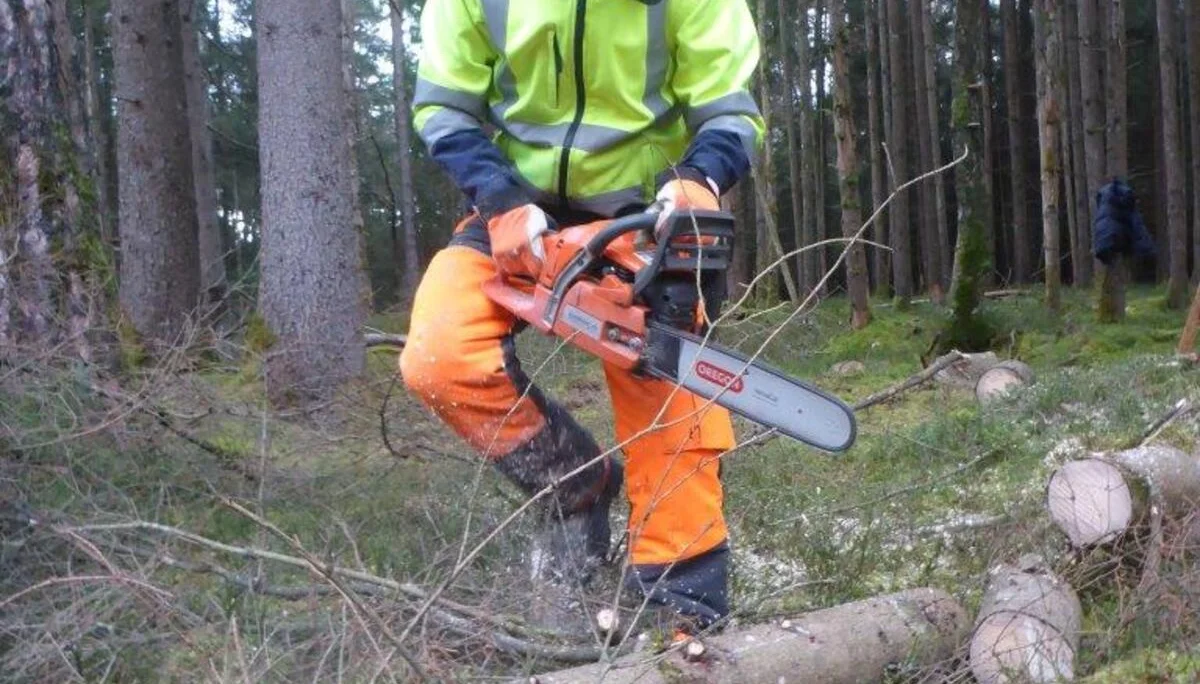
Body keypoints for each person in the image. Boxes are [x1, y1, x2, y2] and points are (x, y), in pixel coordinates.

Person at [400, 0, 765, 635]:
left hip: (643, 212)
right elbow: (444, 108)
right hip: (517, 210)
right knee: (441, 356)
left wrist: (698, 179)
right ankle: (575, 485)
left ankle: (682, 611)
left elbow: (730, 110)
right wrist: (500, 197)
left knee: (670, 395)